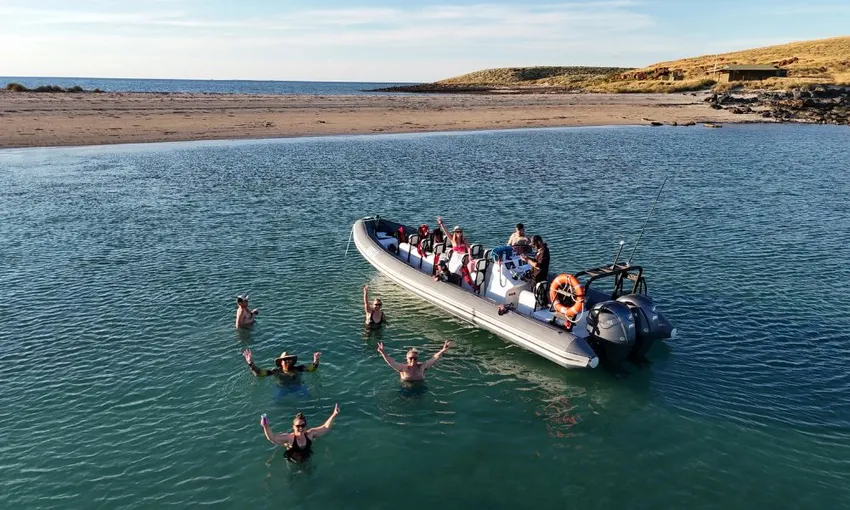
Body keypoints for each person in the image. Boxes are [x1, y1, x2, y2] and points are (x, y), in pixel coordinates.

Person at [260, 404, 339, 463]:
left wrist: (334, 415)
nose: (300, 428)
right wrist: (266, 426)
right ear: (293, 427)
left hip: (307, 457)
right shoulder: (289, 438)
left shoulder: (310, 434)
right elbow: (272, 438)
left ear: (305, 426)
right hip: (293, 460)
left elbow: (325, 427)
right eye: (298, 426)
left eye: (303, 425)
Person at [376, 340, 451, 381]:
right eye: (410, 358)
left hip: (420, 388)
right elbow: (391, 362)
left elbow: (434, 358)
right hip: (406, 389)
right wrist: (383, 352)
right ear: (407, 359)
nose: (413, 360)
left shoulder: (422, 366)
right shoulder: (403, 368)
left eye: (415, 358)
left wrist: (442, 350)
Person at [243, 349, 320, 378]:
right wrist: (250, 363)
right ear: (281, 362)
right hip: (282, 389)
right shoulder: (275, 371)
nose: (287, 361)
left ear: (292, 361)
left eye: (289, 359)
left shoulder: (298, 368)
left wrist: (315, 360)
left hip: (297, 387)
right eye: (285, 360)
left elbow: (312, 368)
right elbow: (259, 373)